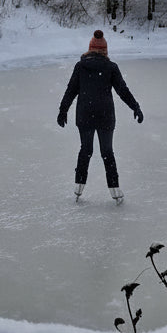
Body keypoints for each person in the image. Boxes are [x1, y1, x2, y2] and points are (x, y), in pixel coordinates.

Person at [57, 28, 142, 204]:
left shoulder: (81, 66)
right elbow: (122, 91)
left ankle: (78, 187)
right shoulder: (111, 67)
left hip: (85, 115)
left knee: (86, 150)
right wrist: (135, 106)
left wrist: (63, 110)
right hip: (105, 116)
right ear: (105, 50)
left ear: (90, 48)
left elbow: (71, 90)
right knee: (107, 152)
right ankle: (115, 190)